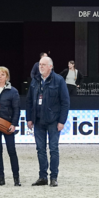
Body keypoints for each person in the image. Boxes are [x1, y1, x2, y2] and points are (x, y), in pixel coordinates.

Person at [26, 56, 70, 187]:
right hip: (38, 120)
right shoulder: (35, 80)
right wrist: (29, 118)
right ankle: (42, 177)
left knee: (53, 149)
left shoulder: (59, 80)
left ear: (50, 66)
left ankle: (54, 177)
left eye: (43, 65)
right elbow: (29, 101)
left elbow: (65, 102)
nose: (41, 67)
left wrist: (62, 121)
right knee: (40, 149)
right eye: (40, 64)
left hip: (53, 121)